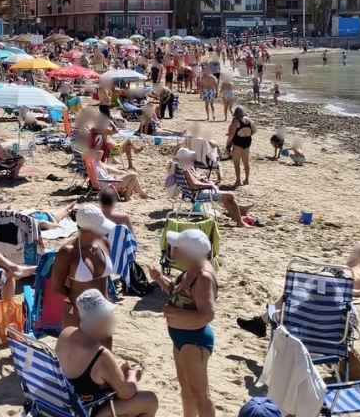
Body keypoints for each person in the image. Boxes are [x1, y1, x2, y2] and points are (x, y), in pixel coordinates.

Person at [148, 229, 218, 417]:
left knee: (201, 395)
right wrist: (159, 278)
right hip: (182, 338)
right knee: (186, 390)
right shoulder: (192, 269)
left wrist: (175, 312)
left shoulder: (203, 277)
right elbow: (177, 291)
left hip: (194, 340)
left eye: (176, 247)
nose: (173, 250)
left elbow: (207, 315)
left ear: (188, 252)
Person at [56, 289, 159, 416]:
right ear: (101, 320)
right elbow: (127, 393)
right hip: (85, 411)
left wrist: (116, 372)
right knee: (150, 400)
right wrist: (132, 375)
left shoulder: (66, 333)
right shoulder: (100, 354)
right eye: (109, 316)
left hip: (64, 404)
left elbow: (83, 376)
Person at [54, 204, 118, 330]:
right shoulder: (68, 252)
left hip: (103, 313)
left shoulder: (104, 243)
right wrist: (77, 304)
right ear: (87, 230)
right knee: (78, 349)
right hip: (78, 316)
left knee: (104, 349)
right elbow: (57, 287)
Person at [170, 148, 250, 227]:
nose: (191, 159)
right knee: (230, 196)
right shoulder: (185, 170)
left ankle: (236, 216)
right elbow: (194, 184)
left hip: (192, 193)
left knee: (227, 197)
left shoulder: (180, 168)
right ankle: (240, 222)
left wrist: (204, 181)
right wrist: (209, 185)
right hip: (197, 194)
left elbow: (193, 182)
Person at [226, 106, 254, 188]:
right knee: (246, 162)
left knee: (237, 163)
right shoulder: (248, 120)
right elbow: (254, 130)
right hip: (247, 143)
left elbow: (231, 135)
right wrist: (247, 134)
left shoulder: (235, 121)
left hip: (238, 144)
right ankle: (246, 179)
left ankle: (238, 180)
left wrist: (228, 145)